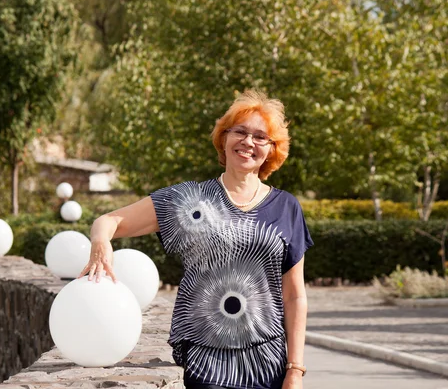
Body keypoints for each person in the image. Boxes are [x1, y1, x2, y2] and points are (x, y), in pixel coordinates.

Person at [78, 90, 313, 389]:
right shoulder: (189, 200)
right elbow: (108, 222)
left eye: (260, 137)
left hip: (268, 364)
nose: (248, 142)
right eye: (239, 131)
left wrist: (295, 370)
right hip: (205, 363)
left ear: (271, 149)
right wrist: (100, 245)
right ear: (223, 138)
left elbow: (295, 296)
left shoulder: (287, 207)